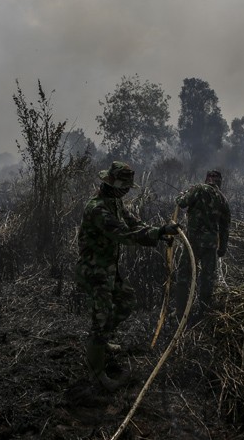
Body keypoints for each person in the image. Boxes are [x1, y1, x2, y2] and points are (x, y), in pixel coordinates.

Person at [75, 161, 180, 391]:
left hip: (108, 268)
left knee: (126, 301)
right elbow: (124, 234)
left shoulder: (115, 203)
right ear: (112, 184)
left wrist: (161, 232)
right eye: (124, 186)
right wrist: (156, 233)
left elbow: (134, 223)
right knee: (101, 319)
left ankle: (102, 342)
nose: (126, 190)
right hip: (94, 270)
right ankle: (97, 374)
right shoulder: (98, 208)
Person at [174, 169, 231, 325]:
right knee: (207, 280)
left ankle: (180, 313)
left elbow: (181, 202)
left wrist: (182, 193)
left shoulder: (198, 189)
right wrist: (222, 248)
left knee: (184, 276)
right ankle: (203, 314)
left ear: (207, 179)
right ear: (220, 182)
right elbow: (225, 228)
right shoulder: (223, 200)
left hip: (192, 243)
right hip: (210, 246)